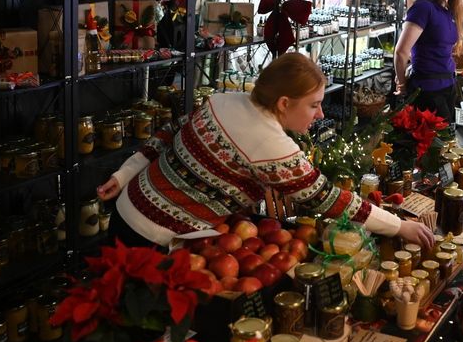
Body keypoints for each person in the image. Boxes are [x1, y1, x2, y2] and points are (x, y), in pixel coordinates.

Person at [97, 53, 435, 250]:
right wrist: (398, 227)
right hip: (154, 235)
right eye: (314, 105)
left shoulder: (223, 100)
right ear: (284, 103)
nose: (320, 114)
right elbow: (327, 198)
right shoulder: (271, 145)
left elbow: (170, 131)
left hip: (128, 205)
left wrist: (125, 173)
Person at [394, 0, 463, 123]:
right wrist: (402, 84)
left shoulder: (448, 9)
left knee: (448, 135)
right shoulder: (424, 8)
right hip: (428, 89)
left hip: (448, 84)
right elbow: (401, 52)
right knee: (435, 137)